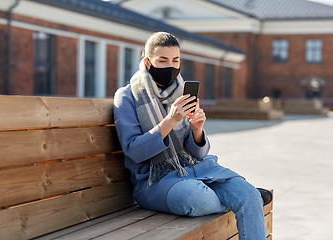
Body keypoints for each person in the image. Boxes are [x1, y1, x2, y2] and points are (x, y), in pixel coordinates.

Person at [113, 32, 272, 240]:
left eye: (175, 60)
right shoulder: (127, 96)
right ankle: (243, 199)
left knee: (249, 194)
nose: (170, 66)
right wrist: (170, 121)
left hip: (196, 170)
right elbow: (134, 150)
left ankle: (248, 197)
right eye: (162, 60)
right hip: (154, 182)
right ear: (147, 62)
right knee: (198, 199)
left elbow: (197, 152)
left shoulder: (181, 93)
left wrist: (197, 130)